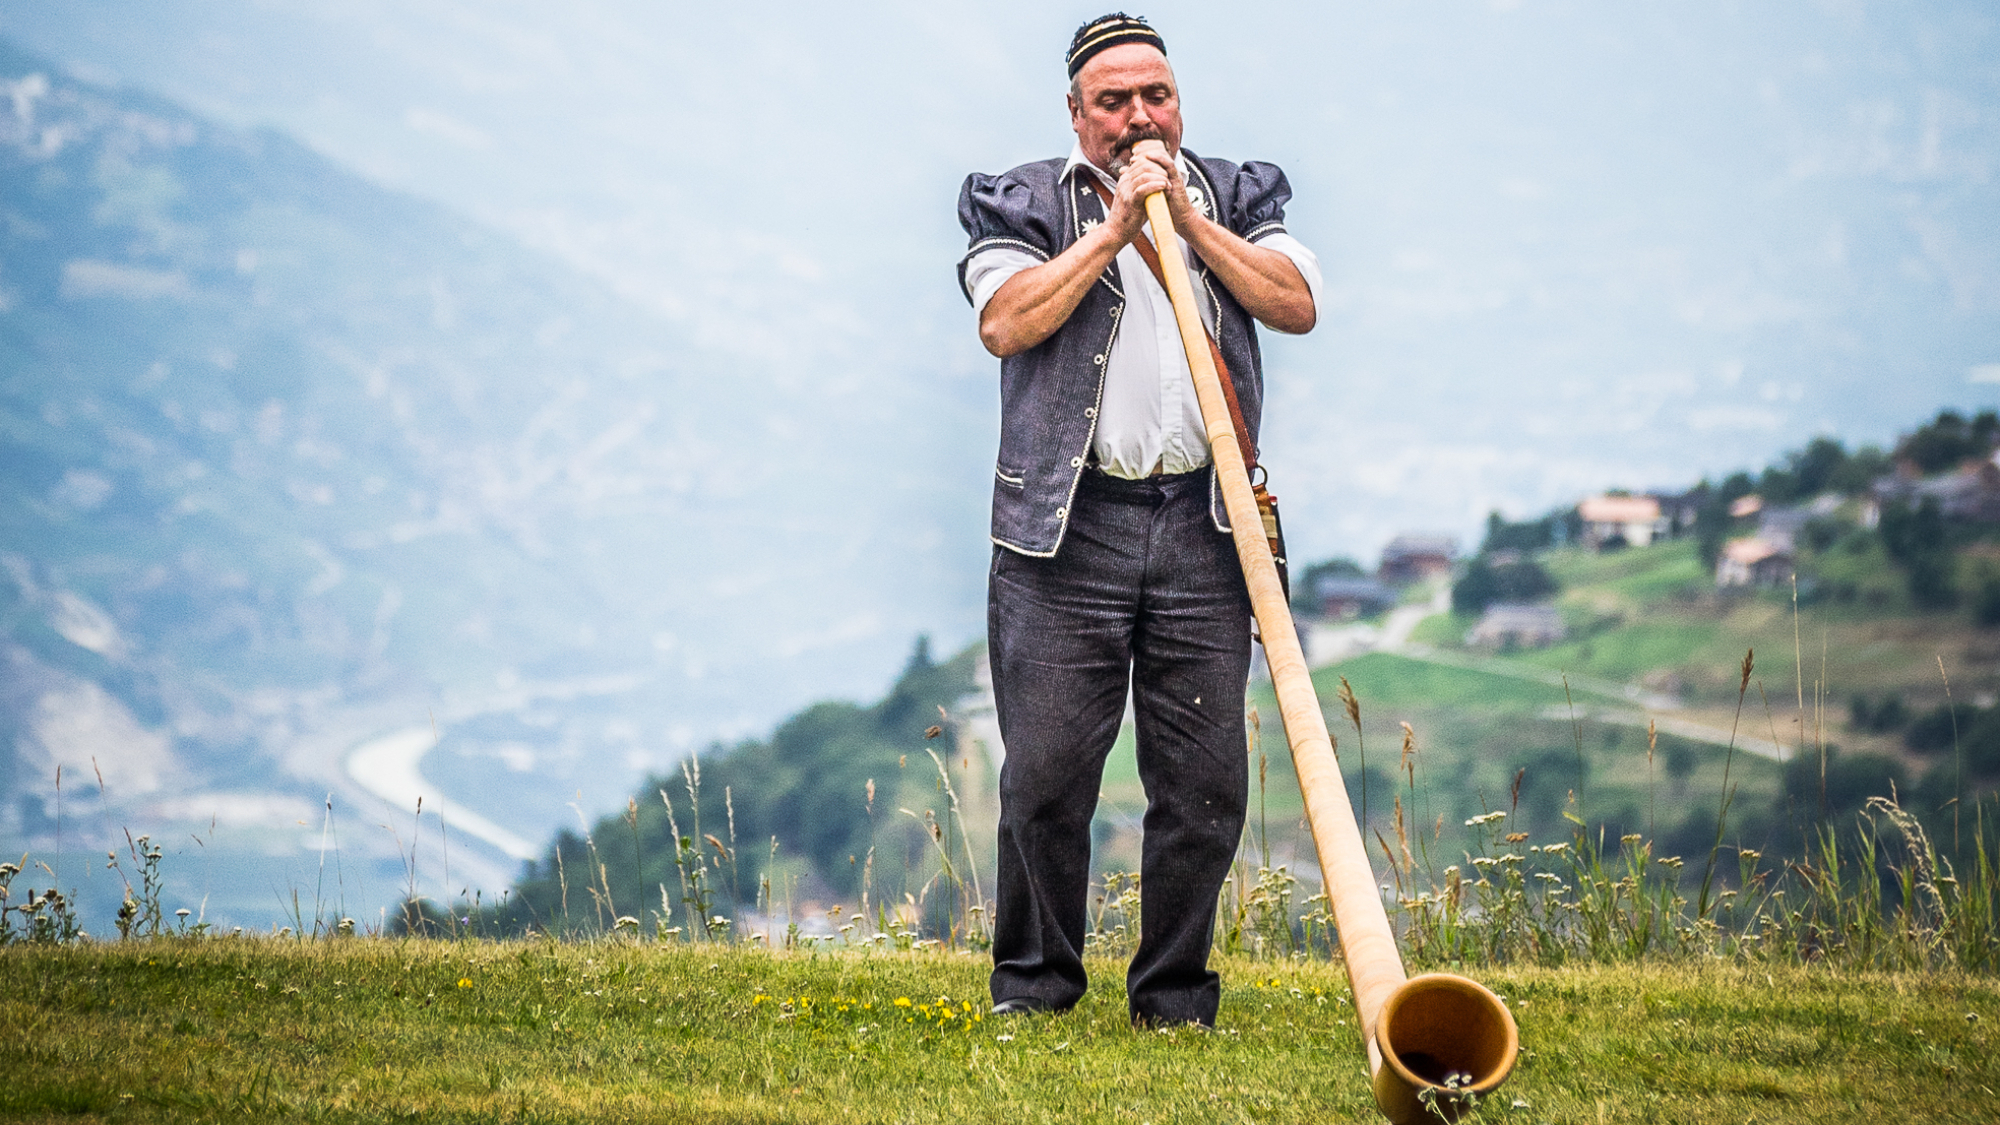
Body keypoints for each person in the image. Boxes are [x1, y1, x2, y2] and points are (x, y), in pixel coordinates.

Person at [955, 12, 1322, 1028]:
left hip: (1208, 525)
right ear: (1077, 118)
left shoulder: (1240, 193)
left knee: (1203, 783)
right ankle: (1034, 988)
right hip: (1066, 534)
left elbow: (1292, 303)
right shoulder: (1020, 200)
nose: (1136, 118)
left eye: (1152, 96)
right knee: (1044, 776)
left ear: (1177, 101)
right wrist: (1114, 231)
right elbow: (1006, 321)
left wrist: (1187, 229)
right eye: (1111, 102)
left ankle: (1171, 997)